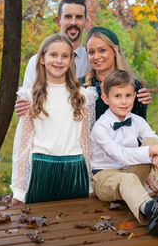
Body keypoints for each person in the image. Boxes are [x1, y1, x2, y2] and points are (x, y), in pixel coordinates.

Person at [90, 70, 158, 236]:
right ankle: (151, 210)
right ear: (105, 98)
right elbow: (122, 155)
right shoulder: (100, 127)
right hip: (104, 179)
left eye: (128, 95)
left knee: (153, 143)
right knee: (136, 168)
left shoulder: (137, 121)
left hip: (130, 174)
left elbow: (155, 140)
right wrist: (155, 151)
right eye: (117, 96)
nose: (124, 101)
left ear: (134, 96)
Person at [15, 0, 152, 115]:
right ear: (58, 21)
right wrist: (23, 106)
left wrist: (138, 97)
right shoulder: (39, 61)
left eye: (79, 17)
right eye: (68, 17)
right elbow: (26, 104)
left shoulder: (94, 61)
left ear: (86, 22)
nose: (73, 22)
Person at [10, 34, 96, 205]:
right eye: (53, 55)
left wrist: (90, 183)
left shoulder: (83, 96)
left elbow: (85, 141)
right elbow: (23, 144)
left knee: (75, 222)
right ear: (42, 58)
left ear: (71, 60)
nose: (59, 60)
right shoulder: (30, 96)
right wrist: (19, 189)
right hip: (41, 169)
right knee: (40, 224)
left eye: (65, 56)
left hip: (75, 168)